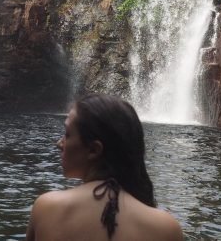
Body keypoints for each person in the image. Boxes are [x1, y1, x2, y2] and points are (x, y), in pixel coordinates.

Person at [26, 94, 183, 241]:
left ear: (94, 150)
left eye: (67, 134)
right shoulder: (166, 228)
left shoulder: (47, 208)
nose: (59, 143)